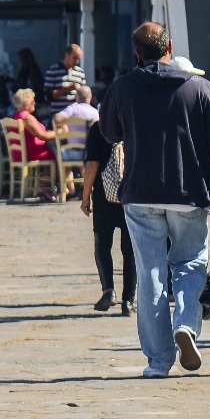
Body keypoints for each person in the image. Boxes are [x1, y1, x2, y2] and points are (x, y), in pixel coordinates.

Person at [97, 22, 210, 377]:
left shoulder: (123, 87)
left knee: (151, 274)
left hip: (141, 192)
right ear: (170, 47)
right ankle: (186, 325)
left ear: (137, 54)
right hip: (189, 192)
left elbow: (109, 131)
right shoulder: (199, 87)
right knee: (191, 263)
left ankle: (158, 361)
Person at [77, 95, 133, 313]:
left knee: (102, 244)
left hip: (104, 196)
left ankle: (108, 290)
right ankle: (129, 301)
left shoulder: (99, 129)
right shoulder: (135, 126)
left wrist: (85, 195)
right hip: (131, 194)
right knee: (130, 250)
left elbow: (92, 164)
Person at [44, 44, 87, 111]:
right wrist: (66, 89)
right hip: (58, 115)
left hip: (76, 115)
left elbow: (84, 97)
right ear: (67, 55)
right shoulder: (53, 71)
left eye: (78, 59)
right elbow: (48, 96)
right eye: (74, 58)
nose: (76, 62)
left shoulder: (80, 73)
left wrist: (79, 92)